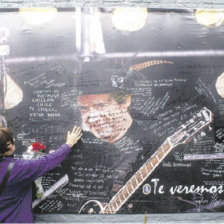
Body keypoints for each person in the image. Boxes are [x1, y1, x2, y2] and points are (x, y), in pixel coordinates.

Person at [0, 125, 82, 223]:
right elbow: (47, 162)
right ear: (8, 147)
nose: (14, 140)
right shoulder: (18, 168)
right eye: (11, 141)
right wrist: (68, 144)